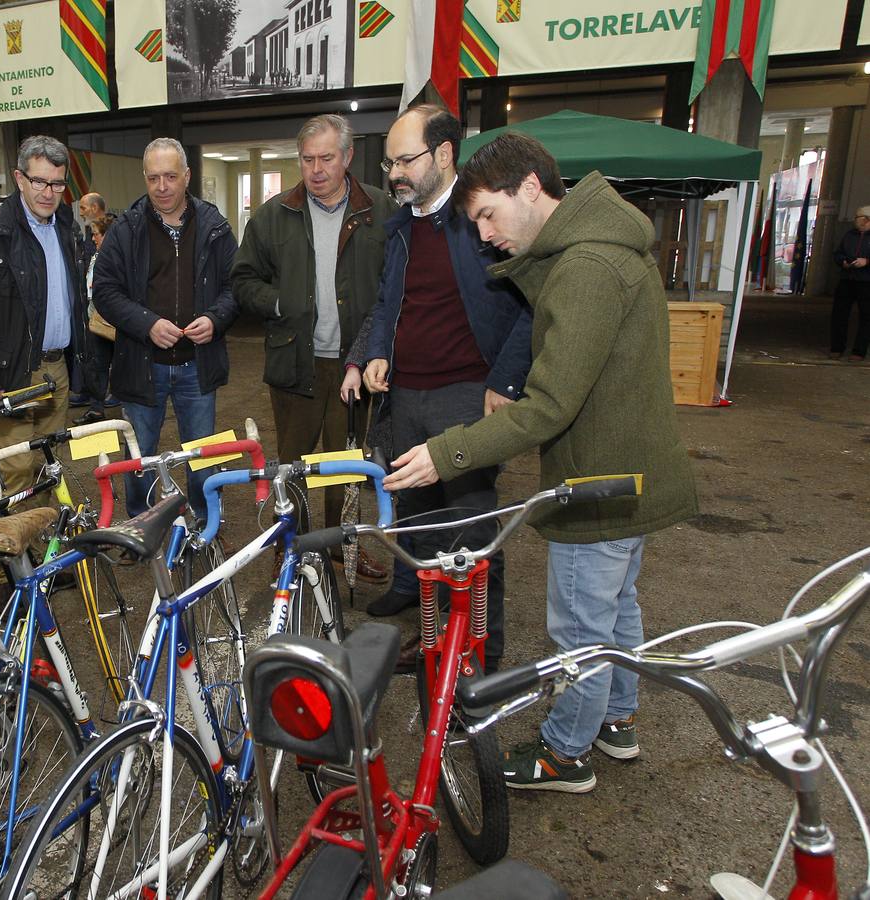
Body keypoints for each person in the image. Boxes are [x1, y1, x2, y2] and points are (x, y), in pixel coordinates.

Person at [385, 132, 698, 792]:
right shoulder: (602, 248)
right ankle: (615, 718)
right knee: (615, 610)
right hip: (628, 470)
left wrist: (450, 453)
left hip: (599, 479)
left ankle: (565, 753)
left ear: (530, 188)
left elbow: (549, 406)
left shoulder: (585, 269)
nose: (486, 236)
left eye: (487, 217)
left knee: (581, 624)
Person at [356, 105, 533, 678]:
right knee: (420, 525)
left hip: (467, 398)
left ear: (445, 153)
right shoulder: (403, 226)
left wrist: (506, 380)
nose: (394, 174)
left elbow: (532, 303)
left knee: (473, 531)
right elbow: (389, 301)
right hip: (407, 396)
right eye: (389, 162)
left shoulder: (484, 219)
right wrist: (378, 349)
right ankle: (435, 642)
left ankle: (483, 656)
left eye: (406, 160)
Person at [231, 113, 395, 585]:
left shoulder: (379, 212)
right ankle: (297, 554)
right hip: (294, 361)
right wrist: (279, 300)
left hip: (354, 366)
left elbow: (394, 287)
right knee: (296, 466)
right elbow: (242, 280)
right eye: (307, 159)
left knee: (343, 465)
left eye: (327, 157)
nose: (317, 168)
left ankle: (343, 551)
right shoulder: (271, 215)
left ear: (347, 158)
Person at [92, 138, 238, 523]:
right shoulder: (125, 229)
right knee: (140, 456)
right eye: (153, 178)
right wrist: (147, 324)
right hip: (142, 365)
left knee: (201, 453)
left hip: (198, 364)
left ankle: (206, 522)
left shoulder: (214, 226)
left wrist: (216, 318)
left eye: (170, 177)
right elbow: (104, 291)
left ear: (187, 176)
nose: (162, 187)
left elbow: (236, 285)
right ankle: (140, 523)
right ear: (145, 177)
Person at [0, 135, 87, 494]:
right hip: (14, 372)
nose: (48, 192)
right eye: (39, 181)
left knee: (49, 465)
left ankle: (44, 543)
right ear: (19, 179)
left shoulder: (67, 229)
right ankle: (14, 550)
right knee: (16, 470)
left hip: (57, 370)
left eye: (57, 183)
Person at [76, 212, 120, 425]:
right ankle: (96, 408)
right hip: (96, 321)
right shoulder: (95, 255)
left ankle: (119, 403)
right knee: (97, 365)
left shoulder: (117, 259)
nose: (92, 239)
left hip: (113, 322)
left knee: (117, 365)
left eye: (96, 234)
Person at [830, 205, 869, 361]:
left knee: (866, 317)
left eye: (858, 217)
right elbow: (838, 253)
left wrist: (866, 261)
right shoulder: (849, 235)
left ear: (866, 219)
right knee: (839, 315)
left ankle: (859, 351)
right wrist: (843, 261)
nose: (855, 220)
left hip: (866, 282)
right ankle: (836, 348)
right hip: (847, 279)